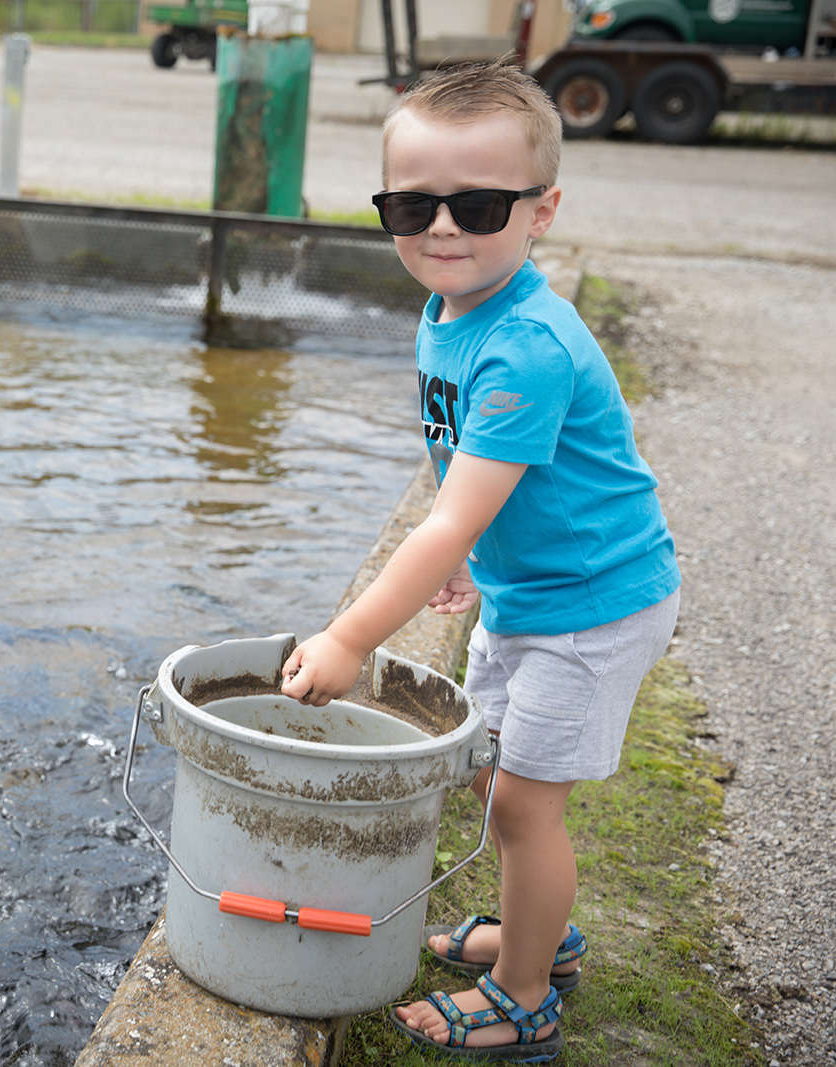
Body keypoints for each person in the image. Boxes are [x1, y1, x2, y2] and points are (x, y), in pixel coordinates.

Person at [278, 57, 681, 1062]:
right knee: (486, 771)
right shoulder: (448, 305)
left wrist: (346, 637)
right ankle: (534, 924)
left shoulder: (526, 345)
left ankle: (524, 989)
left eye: (478, 202)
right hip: (524, 588)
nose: (442, 226)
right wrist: (478, 553)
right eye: (412, 204)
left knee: (521, 805)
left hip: (591, 606)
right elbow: (454, 465)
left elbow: (444, 517)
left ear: (540, 211)